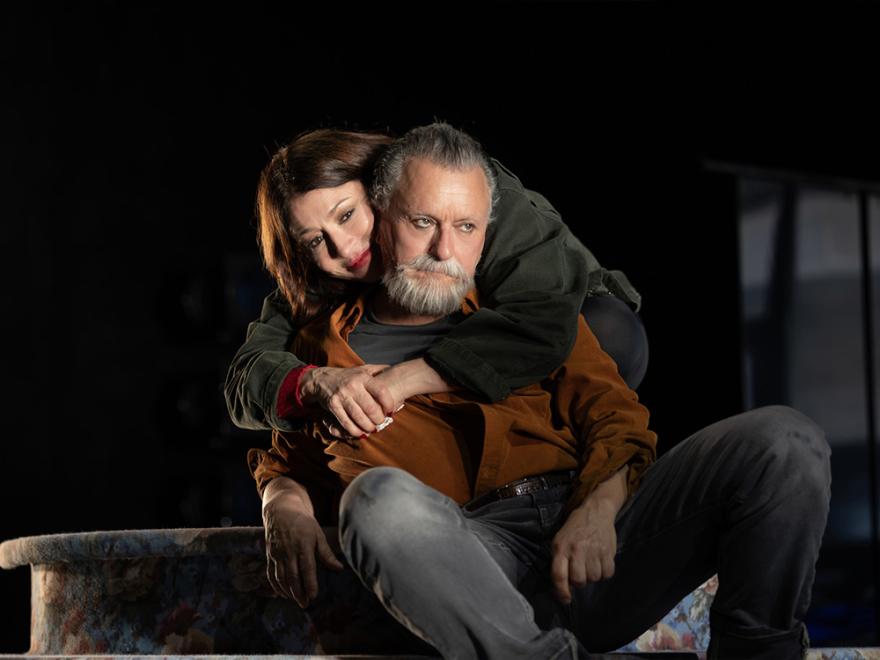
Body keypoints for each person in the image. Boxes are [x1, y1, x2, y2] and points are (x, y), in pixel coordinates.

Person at [248, 124, 832, 659]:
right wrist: (283, 505)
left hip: (594, 535)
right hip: (478, 558)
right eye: (423, 223)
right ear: (390, 215)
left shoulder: (521, 305)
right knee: (375, 501)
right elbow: (287, 459)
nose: (443, 250)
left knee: (783, 440)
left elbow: (615, 416)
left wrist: (597, 510)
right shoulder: (323, 351)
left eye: (464, 227)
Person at [224, 126, 648, 443]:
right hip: (439, 420)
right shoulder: (321, 270)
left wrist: (400, 381)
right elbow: (245, 377)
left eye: (347, 215)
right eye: (316, 240)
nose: (345, 247)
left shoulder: (464, 188)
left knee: (607, 334)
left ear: (379, 188)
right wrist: (317, 383)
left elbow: (541, 317)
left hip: (571, 329)